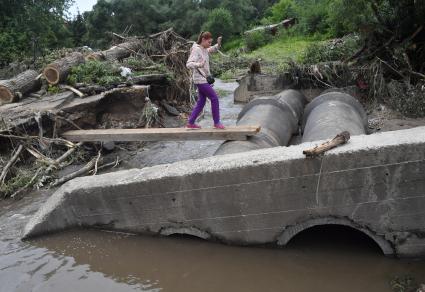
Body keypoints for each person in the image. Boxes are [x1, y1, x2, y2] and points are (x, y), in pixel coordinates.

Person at [186, 31, 224, 129]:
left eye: (211, 42)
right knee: (214, 98)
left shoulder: (204, 49)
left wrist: (218, 44)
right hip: (200, 79)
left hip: (203, 79)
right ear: (203, 40)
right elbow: (188, 64)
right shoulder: (196, 49)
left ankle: (191, 122)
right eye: (209, 42)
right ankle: (216, 122)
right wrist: (198, 64)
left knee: (201, 102)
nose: (209, 44)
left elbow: (212, 49)